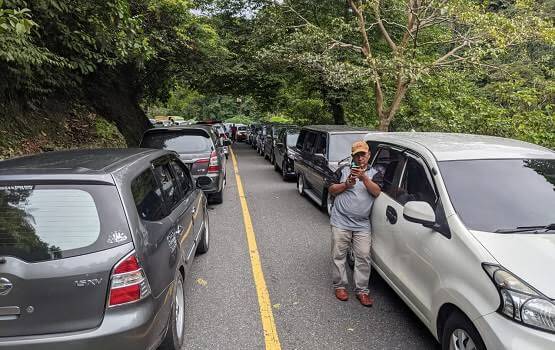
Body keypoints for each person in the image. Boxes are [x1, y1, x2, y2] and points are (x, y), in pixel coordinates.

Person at [328, 140, 382, 307]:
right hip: (341, 220)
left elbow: (377, 191)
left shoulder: (375, 173)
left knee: (364, 256)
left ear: (369, 155)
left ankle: (362, 291)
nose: (360, 159)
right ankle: (340, 286)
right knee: (339, 255)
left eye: (363, 155)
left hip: (362, 223)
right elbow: (331, 189)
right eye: (357, 155)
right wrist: (347, 183)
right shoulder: (343, 170)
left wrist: (363, 177)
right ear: (353, 156)